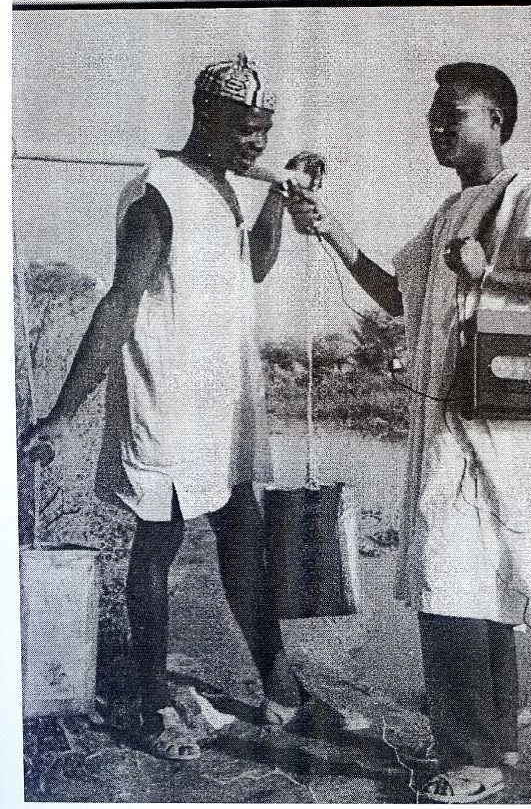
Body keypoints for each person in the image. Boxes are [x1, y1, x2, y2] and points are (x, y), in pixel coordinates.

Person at [287, 61, 531, 803]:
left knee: (450, 578)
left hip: (501, 423)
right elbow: (394, 291)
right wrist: (326, 225)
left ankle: (469, 758)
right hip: (450, 423)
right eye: (432, 113)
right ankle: (494, 740)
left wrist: (494, 277)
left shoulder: (528, 193)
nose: (437, 124)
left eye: (453, 113)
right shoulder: (450, 209)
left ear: (495, 119)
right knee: (477, 576)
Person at [22, 53, 314, 761]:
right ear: (206, 115)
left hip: (223, 397)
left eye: (264, 131)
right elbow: (120, 301)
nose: (257, 144)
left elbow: (254, 264)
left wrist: (279, 192)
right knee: (158, 542)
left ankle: (282, 688)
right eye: (246, 128)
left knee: (241, 526)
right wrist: (63, 413)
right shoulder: (158, 191)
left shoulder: (226, 187)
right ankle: (152, 703)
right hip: (166, 397)